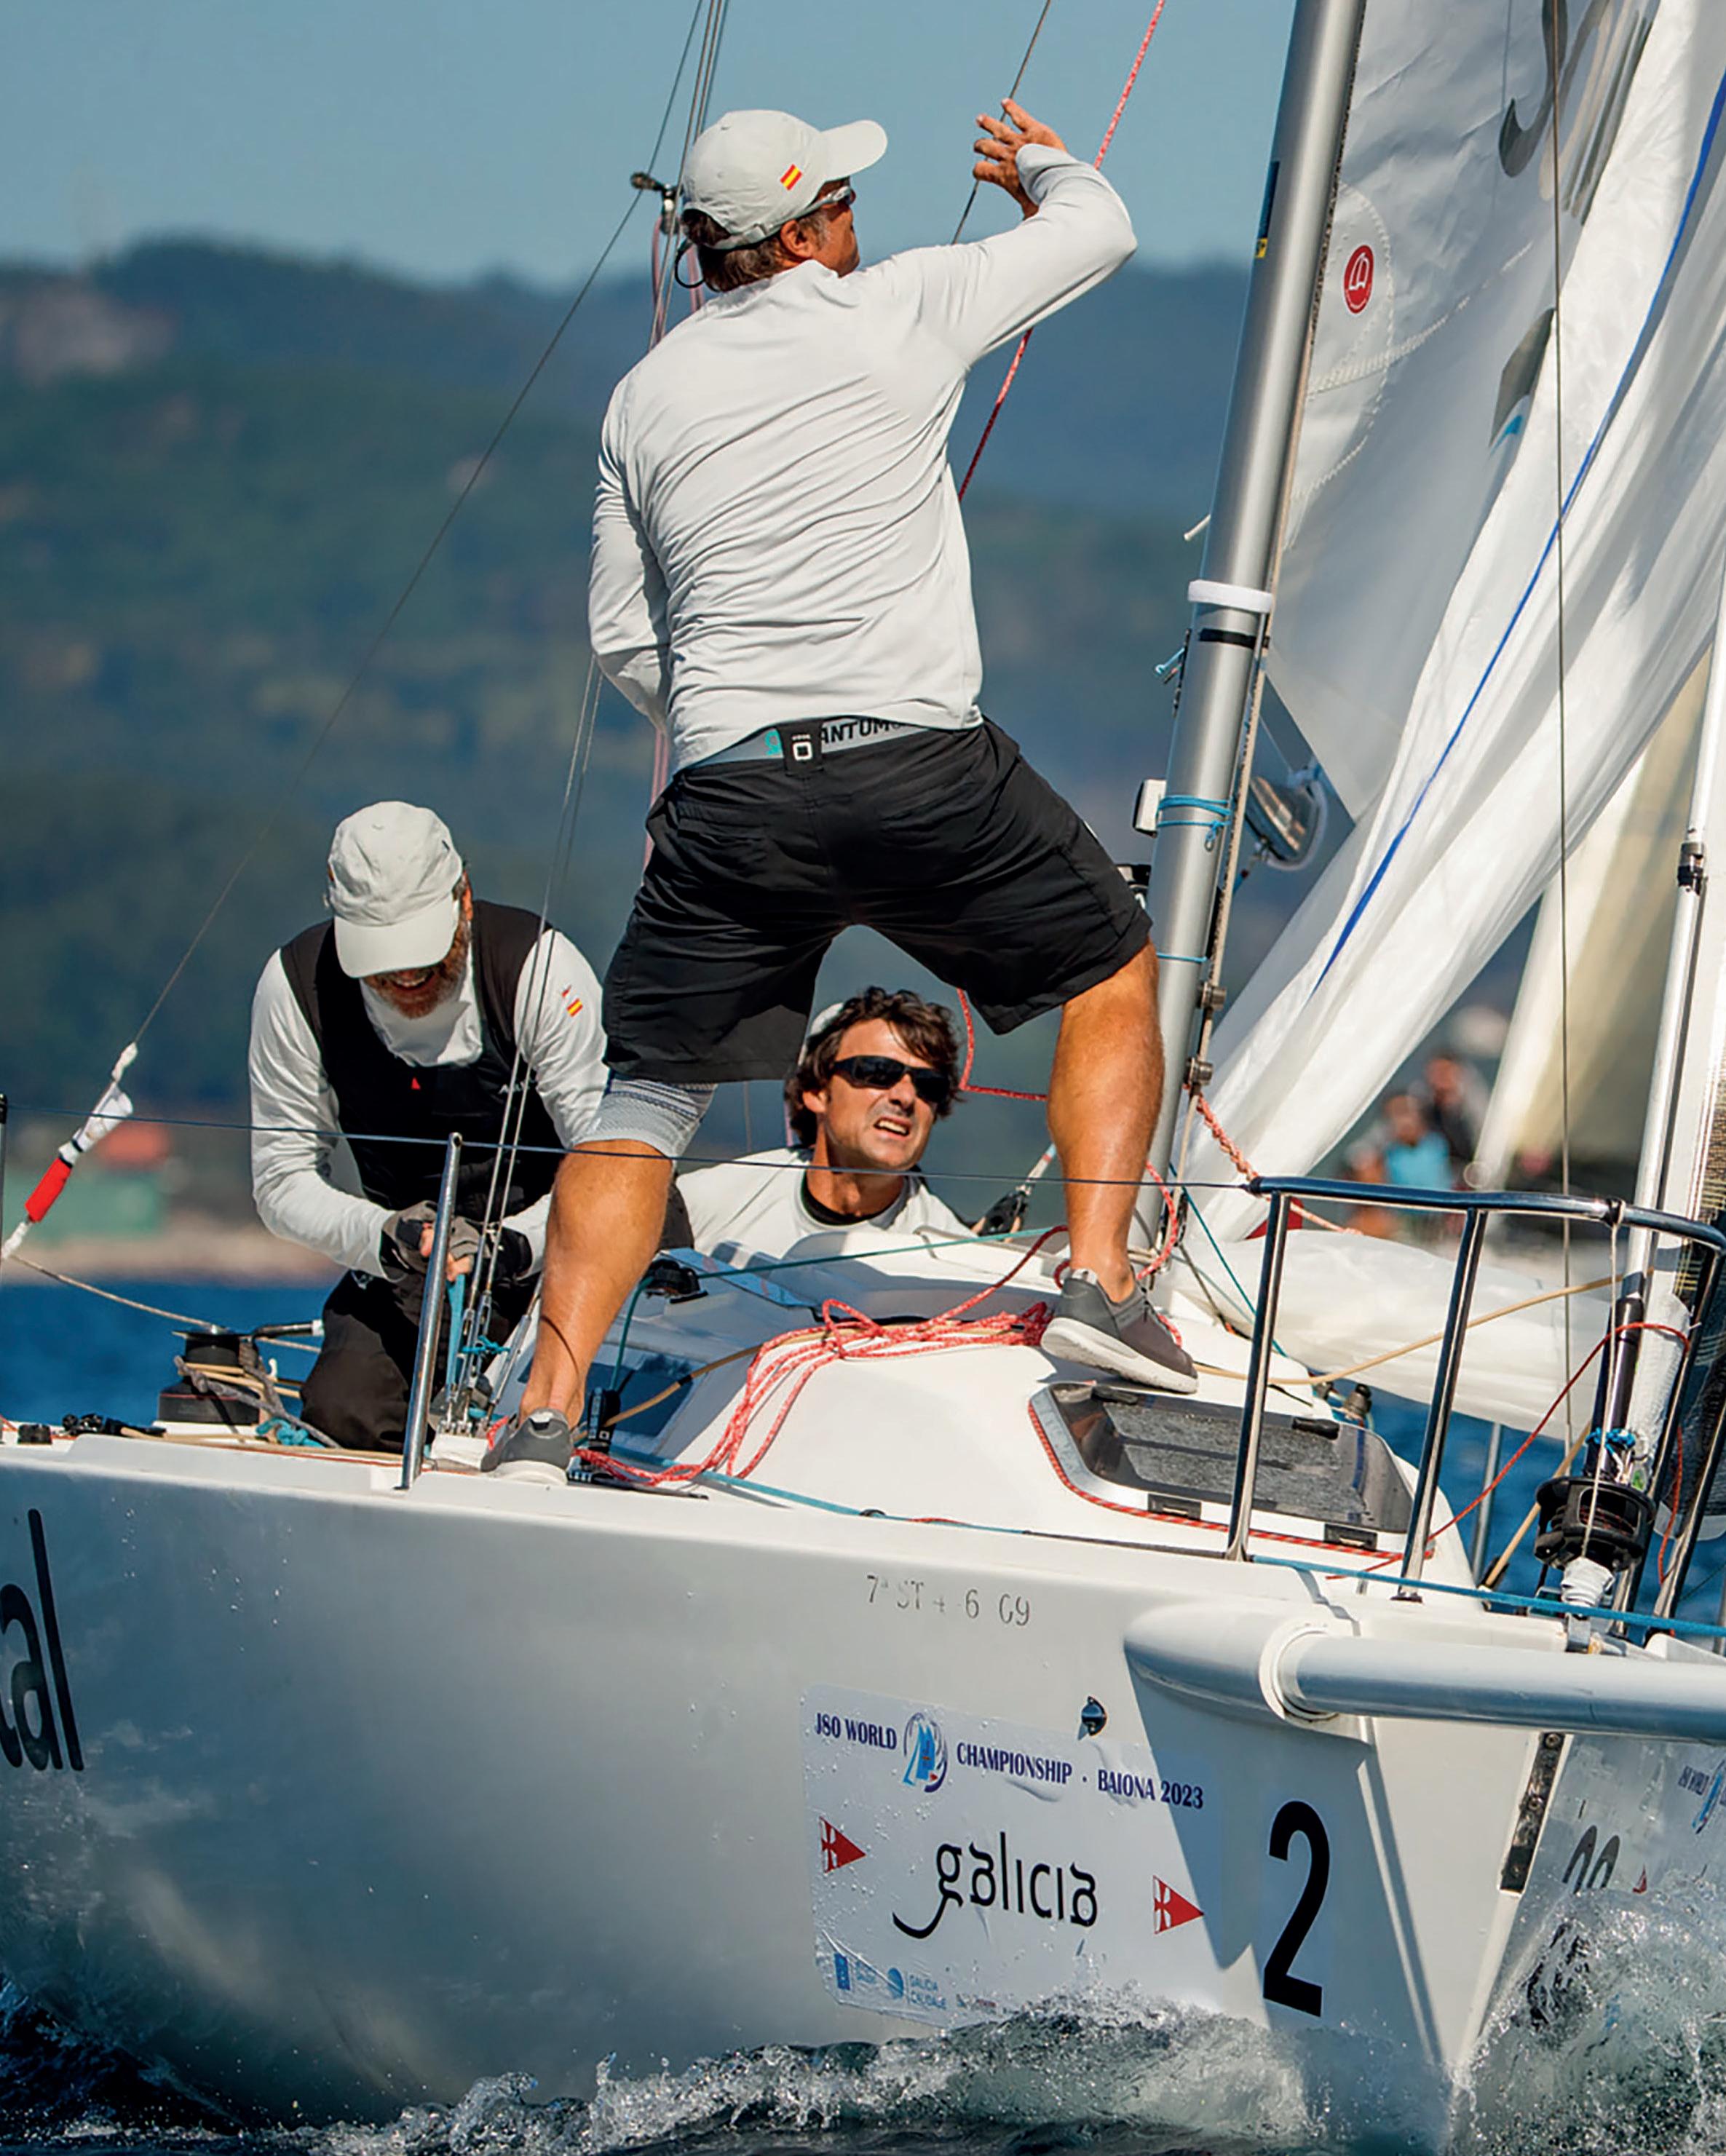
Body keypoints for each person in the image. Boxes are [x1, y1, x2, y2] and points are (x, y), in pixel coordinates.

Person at [491, 95, 1195, 1481]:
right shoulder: (897, 308)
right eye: (844, 201)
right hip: (919, 765)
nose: (859, 221)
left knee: (646, 1102)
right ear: (807, 232)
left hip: (731, 794)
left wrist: (732, 724)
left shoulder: (642, 399)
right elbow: (1101, 227)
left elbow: (624, 637)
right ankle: (1101, 1287)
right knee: (1113, 965)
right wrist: (1036, 163)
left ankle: (543, 1418)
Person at [249, 802, 606, 1450]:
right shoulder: (297, 987)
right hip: (410, 1260)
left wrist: (513, 1247)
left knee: (578, 1418)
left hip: (566, 1244)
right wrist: (385, 1235)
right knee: (344, 1408)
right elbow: (281, 1182)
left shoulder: (538, 969)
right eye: (382, 957)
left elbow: (608, 1164)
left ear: (463, 899)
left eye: (422, 950)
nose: (407, 976)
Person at [681, 988, 971, 1264]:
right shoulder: (701, 1203)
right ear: (817, 1091)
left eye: (929, 1084)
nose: (906, 1097)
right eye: (877, 1071)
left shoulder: (961, 1262)